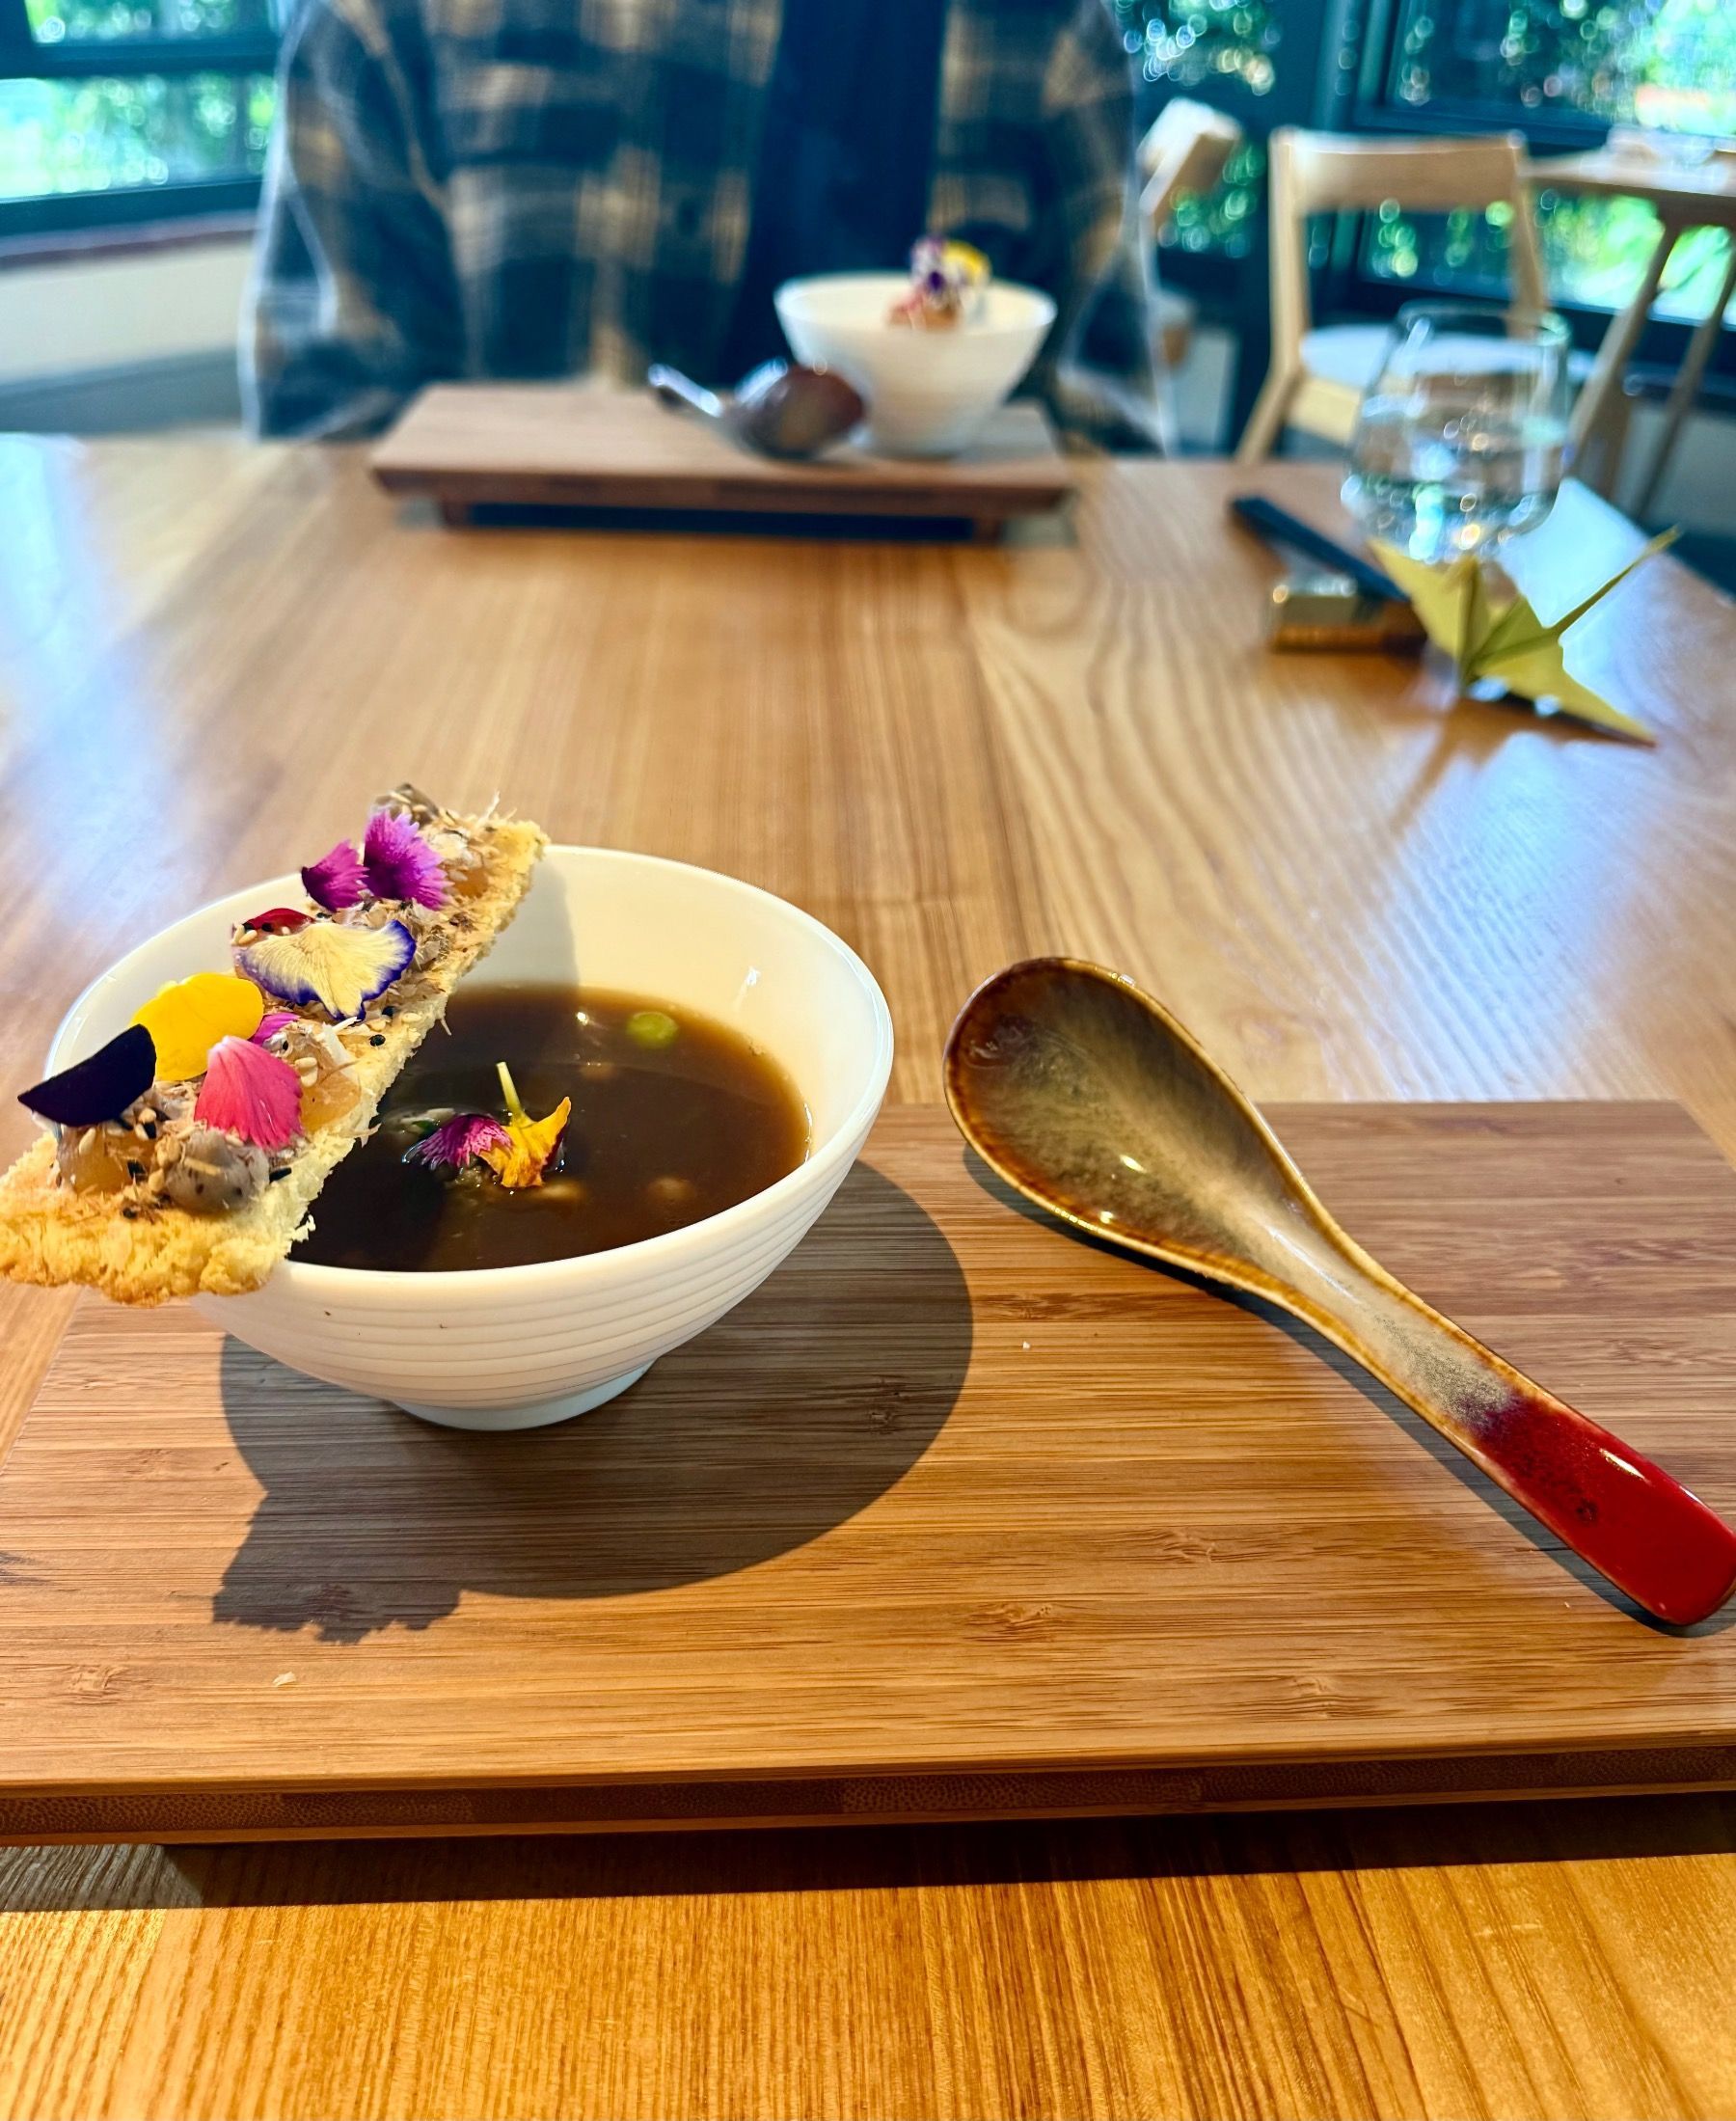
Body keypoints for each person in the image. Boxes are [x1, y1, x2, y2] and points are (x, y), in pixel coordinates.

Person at [245, 0, 1155, 443]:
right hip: (496, 655)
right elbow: (329, 438)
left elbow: (1100, 454)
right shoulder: (389, 20)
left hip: (936, 653)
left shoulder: (1049, 33)